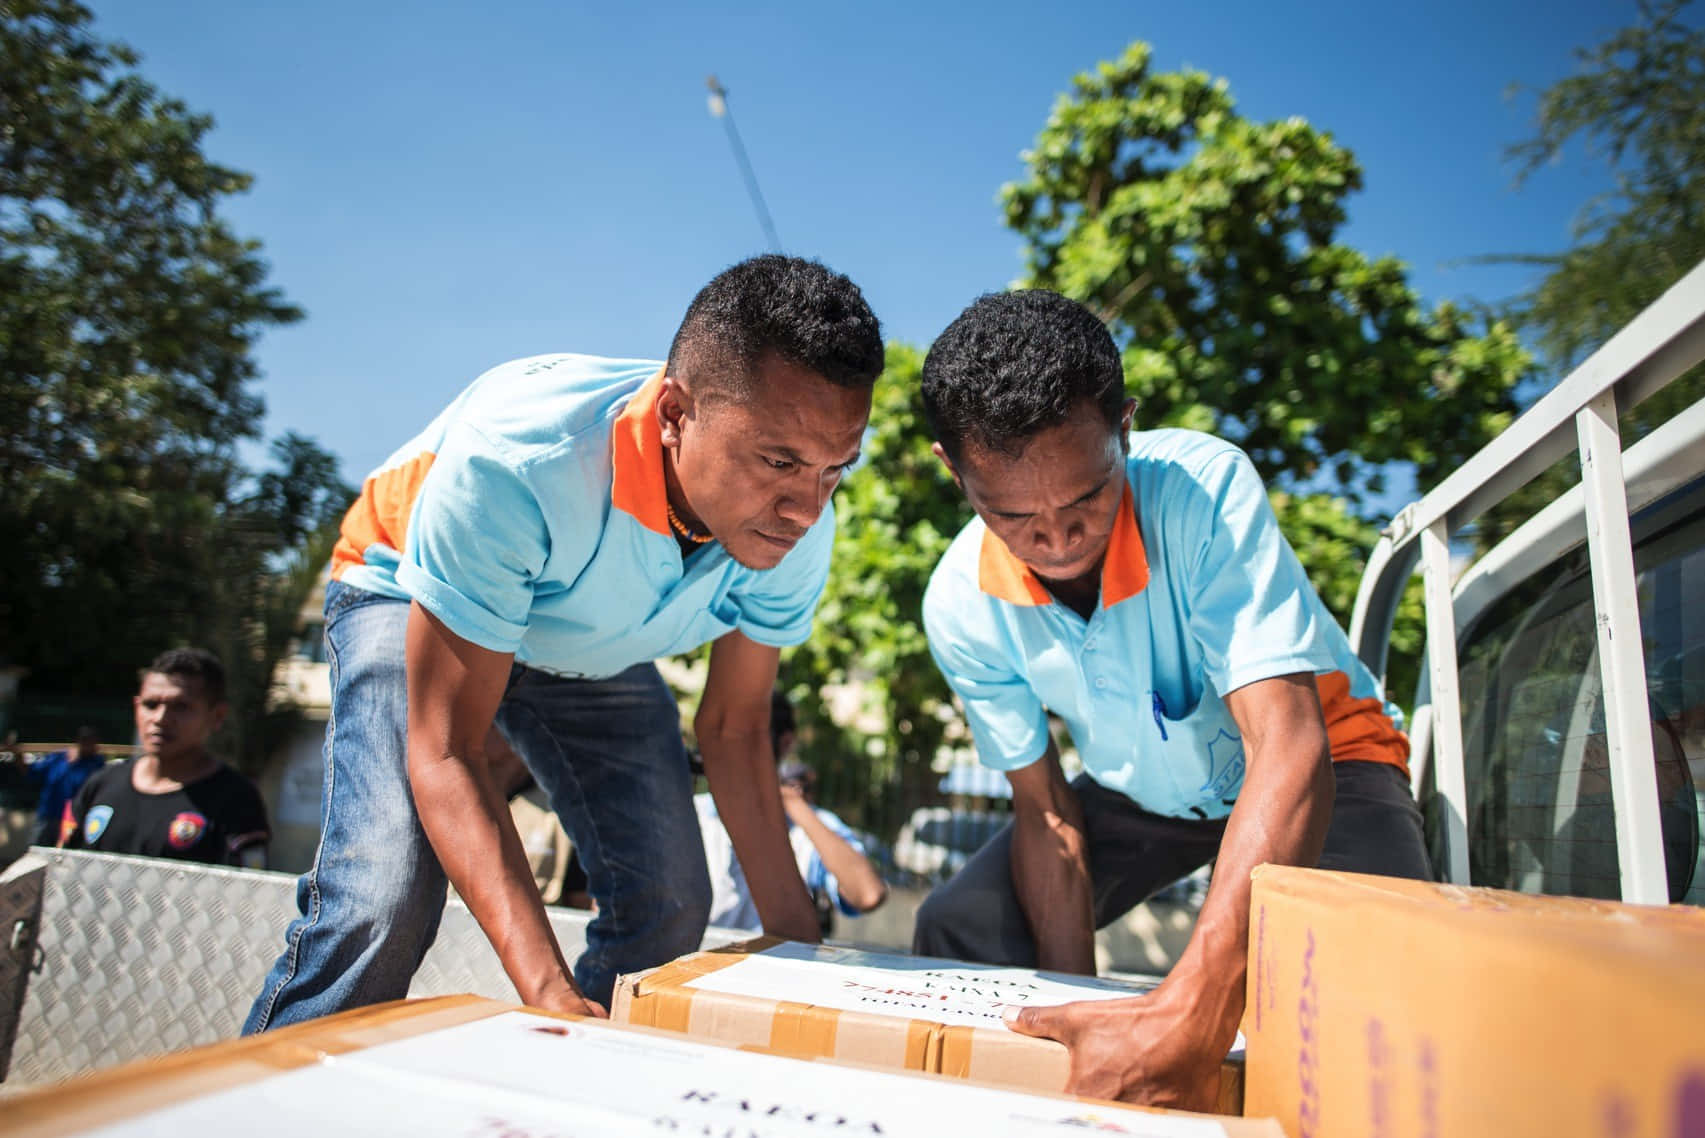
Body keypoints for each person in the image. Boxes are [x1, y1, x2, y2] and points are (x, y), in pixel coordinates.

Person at [244, 255, 883, 1032]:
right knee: (385, 896)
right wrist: (546, 993)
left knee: (671, 904)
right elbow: (446, 751)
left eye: (833, 471)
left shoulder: (797, 526)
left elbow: (735, 730)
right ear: (676, 414)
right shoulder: (520, 459)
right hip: (408, 588)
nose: (805, 509)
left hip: (583, 645)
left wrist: (803, 962)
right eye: (778, 461)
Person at [910, 290, 1431, 1110]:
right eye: (1010, 514)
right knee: (961, 925)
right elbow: (1045, 811)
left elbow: (1287, 746)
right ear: (954, 470)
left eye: (1084, 499)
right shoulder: (956, 607)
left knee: (1370, 985)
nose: (1057, 540)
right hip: (1142, 791)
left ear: (1125, 429)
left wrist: (1190, 1013)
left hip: (1323, 759)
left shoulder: (1202, 485)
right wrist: (1070, 1012)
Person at [698, 690, 888, 933]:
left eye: (743, 734)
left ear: (785, 742)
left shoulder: (808, 824)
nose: (726, 745)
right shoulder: (695, 814)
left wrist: (793, 805)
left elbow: (867, 893)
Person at [64, 650, 270, 867]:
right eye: (151, 705)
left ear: (217, 716)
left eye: (181, 707)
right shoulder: (100, 784)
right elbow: (61, 870)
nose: (160, 718)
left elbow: (245, 891)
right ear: (136, 708)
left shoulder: (237, 799)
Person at [24, 726, 106, 847]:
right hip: (48, 815)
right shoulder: (58, 758)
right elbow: (32, 772)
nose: (87, 745)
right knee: (36, 850)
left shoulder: (97, 764)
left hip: (74, 820)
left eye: (91, 742)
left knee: (64, 855)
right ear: (78, 742)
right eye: (85, 741)